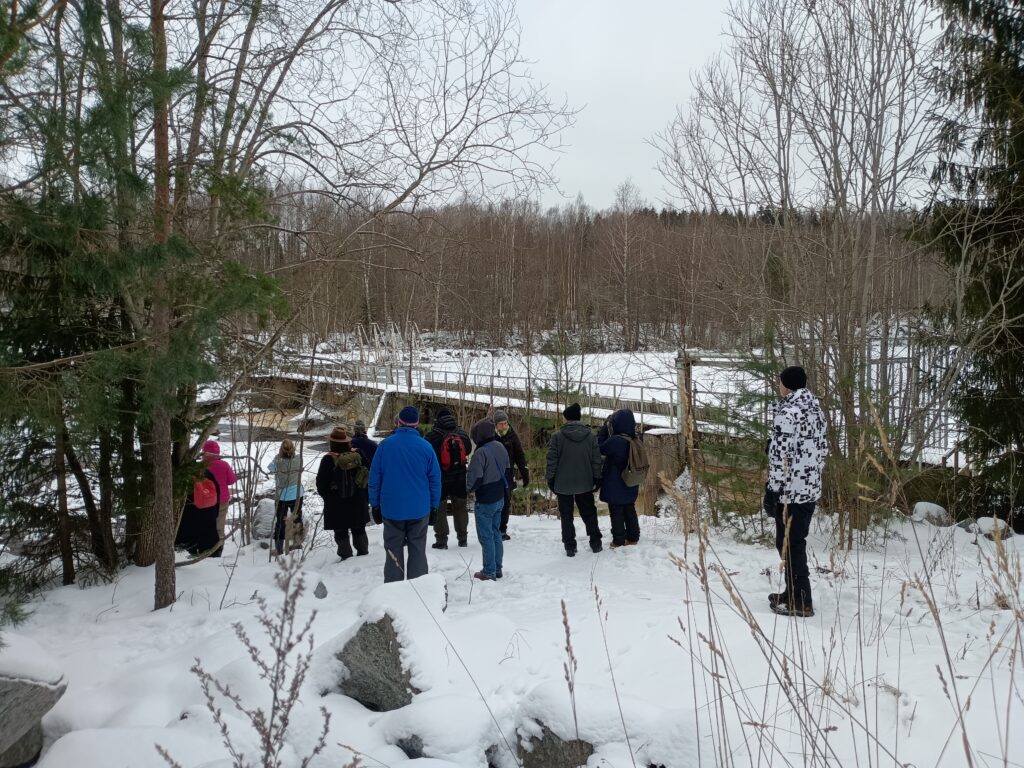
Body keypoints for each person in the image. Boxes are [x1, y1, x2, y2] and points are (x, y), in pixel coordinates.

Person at [763, 366, 828, 618]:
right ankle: (792, 592)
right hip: (809, 488)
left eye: (779, 382)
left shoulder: (787, 413)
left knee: (789, 544)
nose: (778, 386)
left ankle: (801, 600)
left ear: (786, 385)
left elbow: (780, 458)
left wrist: (773, 490)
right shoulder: (815, 409)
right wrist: (812, 475)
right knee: (792, 542)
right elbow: (822, 450)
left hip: (790, 491)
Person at [368, 406, 441, 582]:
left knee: (393, 549)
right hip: (419, 508)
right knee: (417, 549)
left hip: (392, 508)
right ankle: (418, 586)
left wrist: (375, 505)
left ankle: (394, 589)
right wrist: (434, 507)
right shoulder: (426, 447)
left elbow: (374, 479)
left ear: (398, 422)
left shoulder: (385, 446)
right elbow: (435, 480)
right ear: (417, 424)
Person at [546, 403, 603, 556]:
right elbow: (596, 460)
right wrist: (597, 478)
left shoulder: (557, 437)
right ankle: (595, 541)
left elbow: (552, 461)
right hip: (585, 483)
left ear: (567, 419)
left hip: (563, 484)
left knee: (566, 515)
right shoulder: (590, 436)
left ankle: (570, 546)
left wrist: (550, 479)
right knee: (589, 512)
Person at [317, 425, 370, 560]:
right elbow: (369, 474)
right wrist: (364, 495)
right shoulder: (358, 454)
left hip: (337, 502)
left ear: (332, 442)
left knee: (341, 531)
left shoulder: (328, 459)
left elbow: (321, 484)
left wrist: (329, 498)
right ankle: (363, 553)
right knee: (359, 528)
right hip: (358, 500)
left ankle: (345, 556)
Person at [466, 418, 510, 581]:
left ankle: (489, 571)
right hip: (499, 495)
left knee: (486, 537)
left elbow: (475, 479)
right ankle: (497, 568)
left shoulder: (480, 453)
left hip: (486, 499)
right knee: (496, 533)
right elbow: (506, 468)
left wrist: (467, 489)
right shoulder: (500, 446)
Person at [424, 407, 472, 549]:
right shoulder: (461, 433)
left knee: (440, 509)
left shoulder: (432, 435)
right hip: (460, 477)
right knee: (461, 508)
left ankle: (441, 540)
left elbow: (426, 455)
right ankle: (462, 538)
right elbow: (468, 449)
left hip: (441, 478)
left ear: (437, 420)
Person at [597, 409, 641, 548]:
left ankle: (618, 540)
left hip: (615, 481)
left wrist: (605, 429)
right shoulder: (637, 438)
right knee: (629, 508)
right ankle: (633, 537)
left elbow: (599, 448)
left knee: (616, 510)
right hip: (632, 479)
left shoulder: (616, 441)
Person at [494, 409, 529, 541]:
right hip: (493, 475)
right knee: (494, 502)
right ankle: (494, 528)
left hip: (508, 475)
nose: (504, 426)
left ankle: (502, 529)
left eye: (505, 423)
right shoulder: (491, 436)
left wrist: (524, 472)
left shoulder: (512, 436)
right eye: (501, 424)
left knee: (506, 502)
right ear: (495, 425)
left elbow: (520, 456)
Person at [268, 438, 304, 555]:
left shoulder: (277, 461)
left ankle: (279, 549)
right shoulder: (299, 459)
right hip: (297, 494)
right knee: (297, 518)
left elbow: (270, 468)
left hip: (282, 496)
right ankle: (298, 543)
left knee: (280, 522)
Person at [176, 465, 221, 557]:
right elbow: (218, 493)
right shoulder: (207, 473)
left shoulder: (181, 475)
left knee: (188, 531)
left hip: (190, 512)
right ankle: (213, 554)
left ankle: (187, 553)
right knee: (209, 533)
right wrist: (215, 512)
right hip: (209, 511)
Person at [202, 440, 237, 557]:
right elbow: (232, 480)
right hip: (222, 500)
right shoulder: (224, 465)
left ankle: (205, 549)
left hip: (205, 501)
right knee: (219, 526)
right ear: (217, 452)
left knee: (206, 525)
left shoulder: (200, 466)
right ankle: (218, 551)